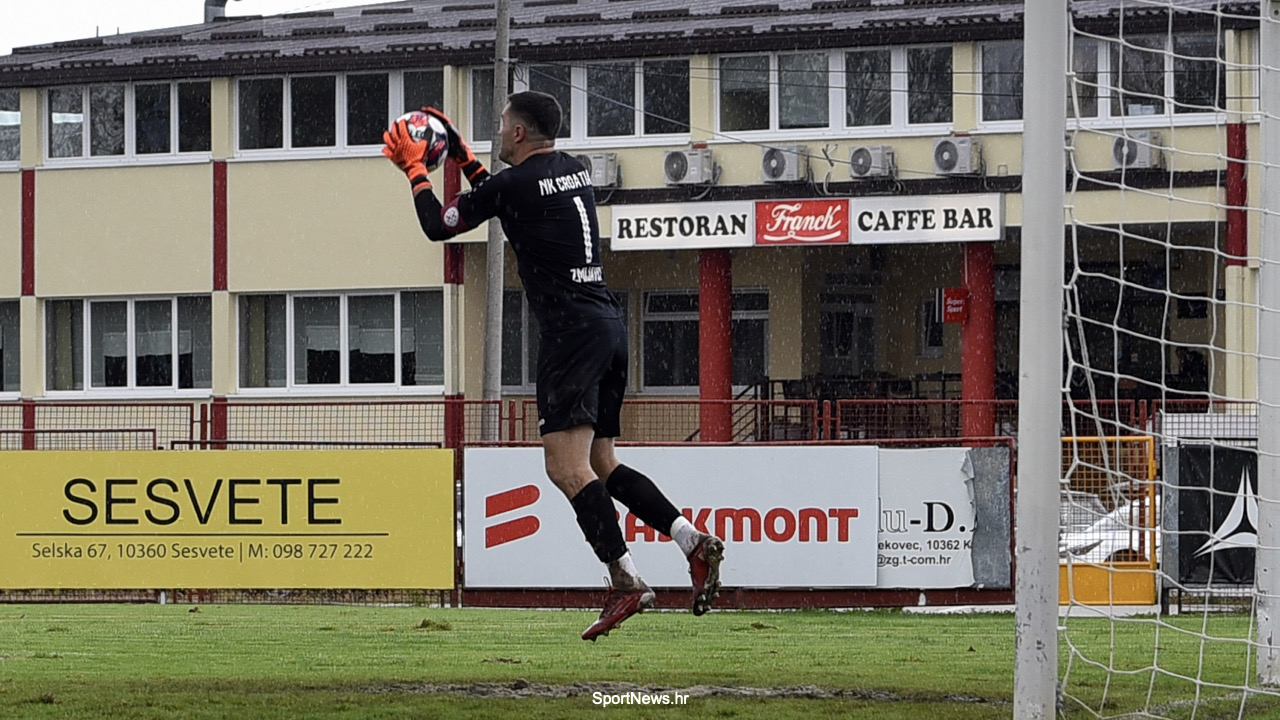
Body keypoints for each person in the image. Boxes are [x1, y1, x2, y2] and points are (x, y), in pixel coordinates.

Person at [382, 91, 724, 641]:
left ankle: (625, 580)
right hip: (607, 325)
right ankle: (691, 541)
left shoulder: (514, 184)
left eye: (501, 123)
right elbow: (506, 194)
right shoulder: (575, 171)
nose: (497, 131)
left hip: (568, 335)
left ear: (518, 134)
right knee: (603, 463)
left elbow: (438, 226)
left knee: (565, 468)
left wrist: (418, 169)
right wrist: (467, 157)